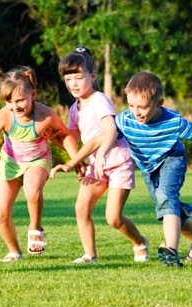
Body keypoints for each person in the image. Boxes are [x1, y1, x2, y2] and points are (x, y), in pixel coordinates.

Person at [98, 71, 192, 267]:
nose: (136, 112)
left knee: (165, 196)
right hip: (148, 168)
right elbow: (110, 134)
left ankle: (171, 249)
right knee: (167, 207)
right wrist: (99, 154)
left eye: (143, 107)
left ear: (159, 103)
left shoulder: (173, 121)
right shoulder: (125, 119)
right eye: (131, 105)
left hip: (172, 159)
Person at [50, 46, 148, 264]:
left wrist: (101, 154)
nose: (73, 83)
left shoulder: (99, 100)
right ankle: (90, 255)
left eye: (78, 77)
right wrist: (49, 136)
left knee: (113, 218)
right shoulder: (75, 108)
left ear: (92, 76)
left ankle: (140, 242)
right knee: (81, 208)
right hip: (96, 165)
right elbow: (71, 139)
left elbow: (110, 130)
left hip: (117, 161)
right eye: (68, 78)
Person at [0, 66, 80, 262]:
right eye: (9, 101)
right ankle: (14, 251)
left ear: (33, 94)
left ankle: (35, 227)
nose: (16, 106)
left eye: (20, 100)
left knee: (32, 190)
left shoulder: (45, 115)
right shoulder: (5, 116)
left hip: (38, 161)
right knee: (1, 213)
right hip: (10, 163)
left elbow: (65, 137)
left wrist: (76, 161)